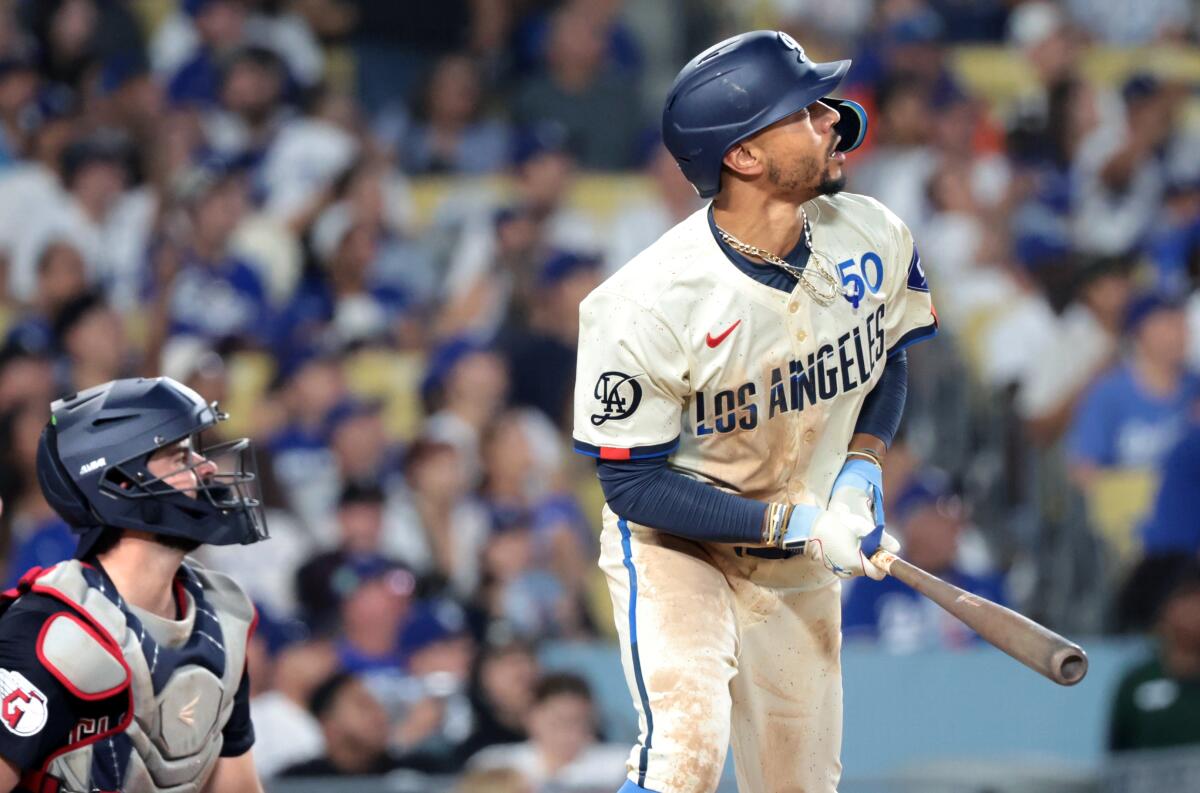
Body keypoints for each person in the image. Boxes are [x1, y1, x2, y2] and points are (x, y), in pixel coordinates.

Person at [572, 31, 937, 793]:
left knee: (797, 785)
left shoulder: (870, 232)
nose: (833, 117)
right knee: (686, 753)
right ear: (743, 156)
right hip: (677, 540)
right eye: (804, 112)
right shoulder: (644, 304)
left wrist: (862, 466)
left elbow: (887, 355)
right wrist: (790, 523)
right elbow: (632, 486)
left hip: (800, 544)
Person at [0, 376, 268, 791]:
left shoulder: (224, 615)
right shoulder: (45, 634)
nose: (207, 467)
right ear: (121, 483)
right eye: (180, 457)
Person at [1109, 561, 1200, 752]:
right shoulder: (1136, 682)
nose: (1195, 609)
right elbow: (1118, 759)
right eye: (1187, 597)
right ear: (1165, 607)